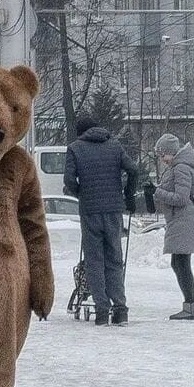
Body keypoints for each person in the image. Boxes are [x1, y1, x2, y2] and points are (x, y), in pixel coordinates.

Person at [64, 113, 139, 326]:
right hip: (114, 209)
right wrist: (129, 195)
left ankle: (102, 310)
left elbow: (69, 179)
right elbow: (133, 170)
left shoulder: (75, 148)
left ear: (81, 133)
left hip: (90, 211)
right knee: (115, 258)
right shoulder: (114, 146)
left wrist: (81, 193)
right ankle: (121, 310)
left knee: (94, 260)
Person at [152, 134, 194, 320]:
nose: (162, 160)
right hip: (181, 221)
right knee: (180, 264)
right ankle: (190, 306)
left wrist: (157, 192)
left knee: (181, 264)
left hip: (184, 221)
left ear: (171, 153)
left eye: (163, 155)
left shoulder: (181, 168)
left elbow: (181, 198)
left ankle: (190, 307)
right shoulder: (181, 166)